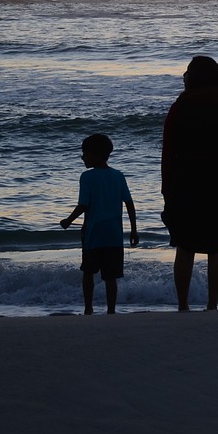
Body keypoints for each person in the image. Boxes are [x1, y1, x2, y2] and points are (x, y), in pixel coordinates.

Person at [161, 55, 218, 311]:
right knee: (217, 246)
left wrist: (167, 187)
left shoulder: (181, 107)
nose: (183, 76)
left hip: (186, 184)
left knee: (185, 246)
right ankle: (212, 305)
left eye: (187, 72)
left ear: (194, 77)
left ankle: (183, 305)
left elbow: (168, 151)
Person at [60, 133, 139, 315]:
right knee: (111, 277)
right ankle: (111, 310)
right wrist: (133, 230)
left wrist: (68, 221)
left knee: (88, 272)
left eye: (85, 154)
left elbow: (83, 205)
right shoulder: (118, 176)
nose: (83, 157)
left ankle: (88, 308)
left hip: (93, 234)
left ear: (95, 155)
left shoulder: (87, 177)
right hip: (114, 236)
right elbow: (129, 203)